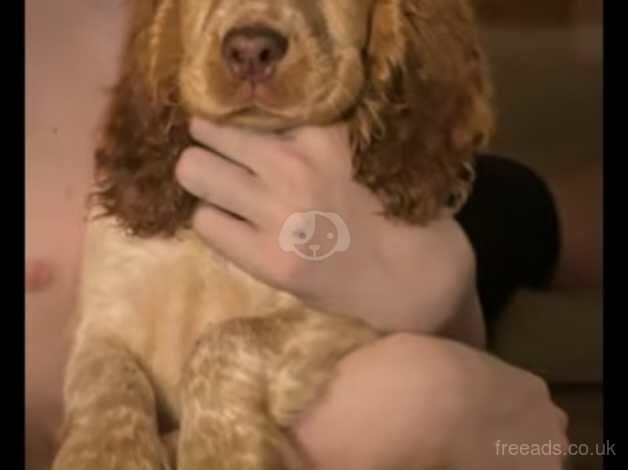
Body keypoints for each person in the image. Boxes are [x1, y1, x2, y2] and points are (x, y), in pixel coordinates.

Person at [26, 0, 600, 469]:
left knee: (528, 209)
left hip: (376, 205)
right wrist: (420, 403)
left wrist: (443, 292)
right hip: (257, 258)